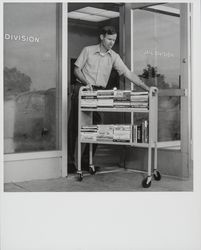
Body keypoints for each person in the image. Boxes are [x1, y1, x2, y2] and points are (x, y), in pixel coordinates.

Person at [68, 25, 149, 173]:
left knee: (96, 127)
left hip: (99, 92)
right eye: (109, 39)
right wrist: (87, 83)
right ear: (102, 37)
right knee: (76, 126)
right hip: (83, 89)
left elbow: (127, 73)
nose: (112, 42)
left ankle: (86, 162)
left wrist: (146, 88)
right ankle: (70, 163)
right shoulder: (88, 50)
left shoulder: (114, 56)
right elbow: (76, 70)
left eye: (114, 40)